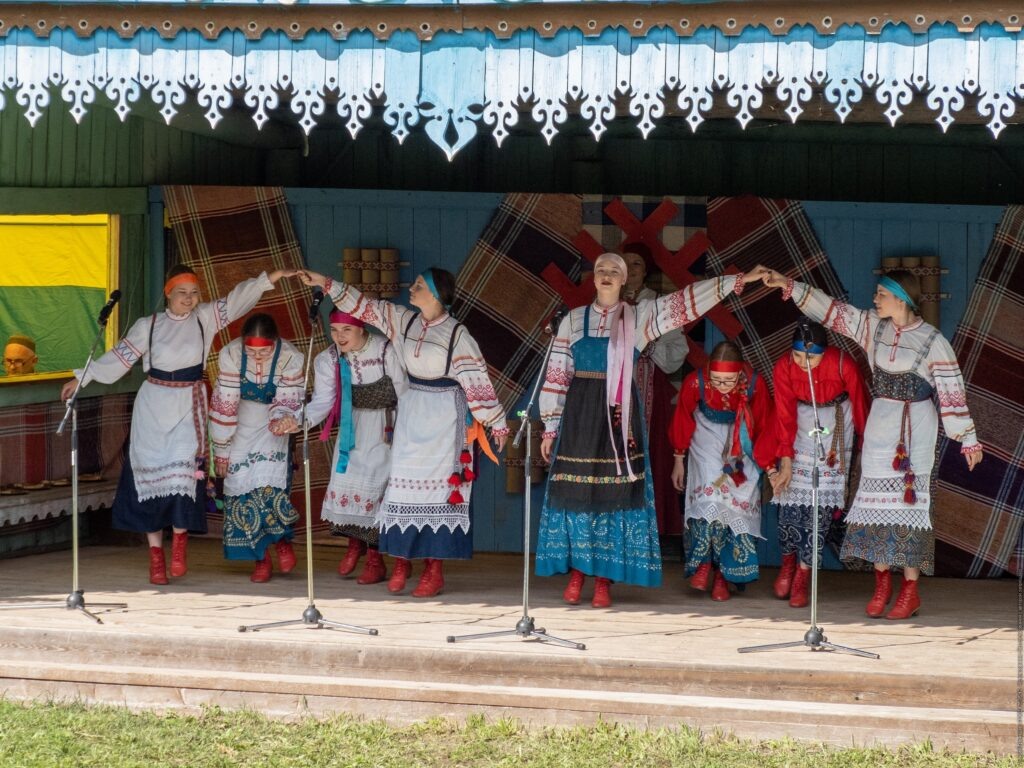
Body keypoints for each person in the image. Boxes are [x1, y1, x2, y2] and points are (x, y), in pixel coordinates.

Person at [536, 253, 765, 608]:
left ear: (625, 280)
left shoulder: (639, 317)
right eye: (601, 270)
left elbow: (686, 303)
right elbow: (556, 374)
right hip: (580, 414)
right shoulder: (573, 320)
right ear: (593, 278)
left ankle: (602, 581)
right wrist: (550, 427)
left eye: (615, 271)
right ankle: (578, 573)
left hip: (619, 415)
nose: (607, 275)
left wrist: (737, 281)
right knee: (576, 495)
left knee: (614, 497)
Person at [759, 265, 983, 619]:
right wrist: (790, 285)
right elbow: (832, 312)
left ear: (902, 298)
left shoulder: (932, 340)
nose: (874, 299)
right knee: (876, 512)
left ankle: (910, 591)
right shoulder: (872, 328)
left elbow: (951, 389)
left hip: (914, 432)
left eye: (881, 294)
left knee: (909, 511)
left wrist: (966, 437)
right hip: (881, 428)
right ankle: (882, 588)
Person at [60, 264, 296, 585]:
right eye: (182, 293)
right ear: (167, 293)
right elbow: (120, 357)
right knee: (149, 475)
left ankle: (180, 542)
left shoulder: (205, 317)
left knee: (187, 470)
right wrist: (82, 378)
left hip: (189, 402)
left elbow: (238, 300)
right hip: (154, 404)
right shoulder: (149, 325)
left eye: (194, 292)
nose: (189, 298)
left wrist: (268, 280)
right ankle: (156, 555)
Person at [299, 268, 508, 598]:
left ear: (437, 295)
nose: (412, 288)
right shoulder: (403, 320)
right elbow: (364, 307)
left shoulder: (457, 335)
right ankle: (400, 562)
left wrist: (495, 421)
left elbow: (476, 380)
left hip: (445, 417)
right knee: (400, 488)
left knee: (440, 492)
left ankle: (433, 571)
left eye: (420, 286)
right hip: (411, 411)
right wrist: (327, 285)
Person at [284, 309, 407, 585]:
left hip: (386, 429)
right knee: (347, 483)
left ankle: (375, 559)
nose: (339, 336)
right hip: (353, 430)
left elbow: (404, 394)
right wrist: (300, 421)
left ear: (362, 328)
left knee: (378, 489)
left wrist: (407, 435)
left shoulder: (386, 351)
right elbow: (322, 402)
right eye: (335, 329)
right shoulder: (328, 358)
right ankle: (355, 544)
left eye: (346, 330)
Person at [762, 320, 869, 608]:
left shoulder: (843, 365)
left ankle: (803, 574)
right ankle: (787, 563)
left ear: (825, 351)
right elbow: (784, 414)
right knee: (789, 503)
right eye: (798, 356)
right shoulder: (784, 366)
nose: (803, 363)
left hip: (835, 423)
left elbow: (860, 406)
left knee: (820, 509)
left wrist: (865, 451)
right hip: (799, 424)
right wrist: (785, 461)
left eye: (811, 356)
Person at [669, 340, 773, 601]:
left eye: (728, 381)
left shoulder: (754, 383)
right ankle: (704, 565)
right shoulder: (696, 382)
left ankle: (725, 576)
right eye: (716, 380)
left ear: (740, 374)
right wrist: (678, 459)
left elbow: (764, 424)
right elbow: (682, 418)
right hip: (707, 436)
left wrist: (768, 465)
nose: (722, 387)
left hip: (745, 440)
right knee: (711, 497)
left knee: (738, 501)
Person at [209, 313, 304, 583]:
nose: (257, 357)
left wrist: (281, 421)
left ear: (275, 343)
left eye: (264, 352)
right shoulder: (230, 354)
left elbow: (289, 399)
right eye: (251, 351)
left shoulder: (290, 357)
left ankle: (281, 542)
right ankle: (261, 559)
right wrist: (222, 451)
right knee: (240, 490)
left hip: (270, 426)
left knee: (269, 487)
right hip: (238, 424)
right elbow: (225, 403)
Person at [621, 247, 690, 539]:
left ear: (645, 270)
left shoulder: (660, 305)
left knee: (652, 454)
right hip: (613, 388)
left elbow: (679, 350)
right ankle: (616, 526)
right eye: (625, 264)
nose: (631, 268)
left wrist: (649, 347)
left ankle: (651, 528)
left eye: (637, 262)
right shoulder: (604, 304)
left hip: (650, 388)